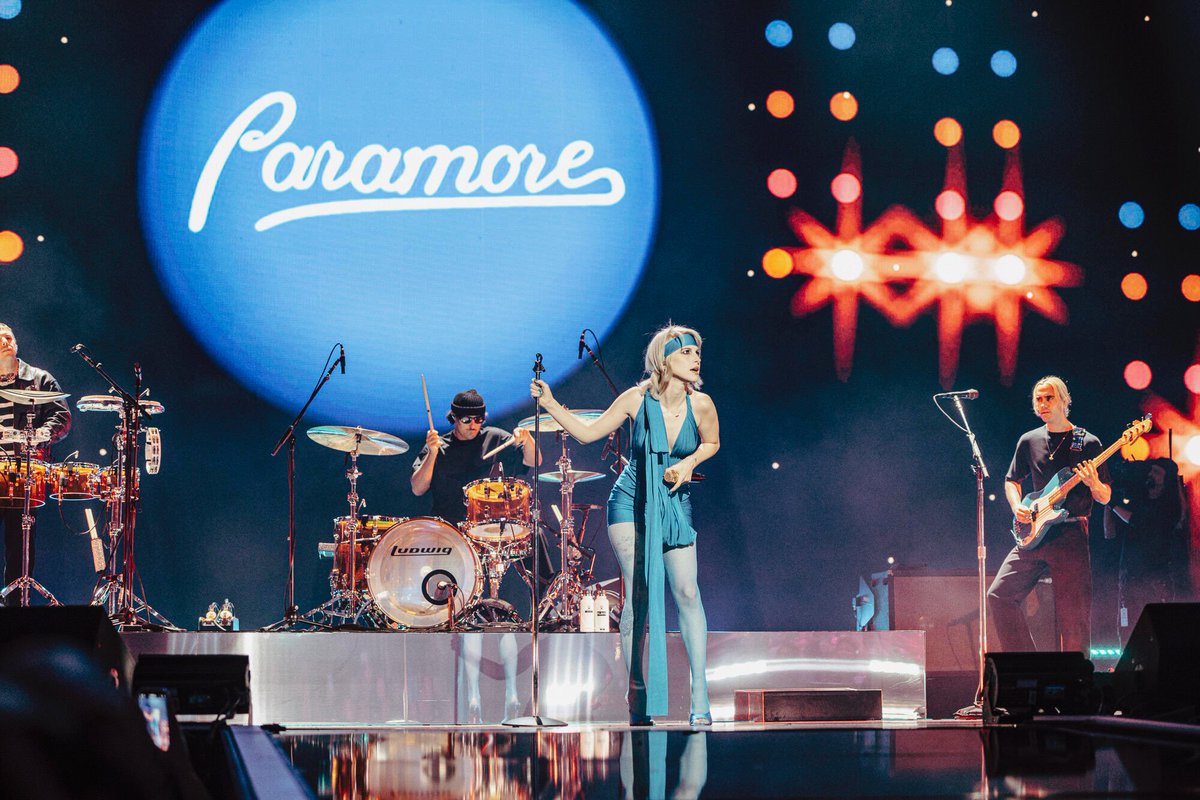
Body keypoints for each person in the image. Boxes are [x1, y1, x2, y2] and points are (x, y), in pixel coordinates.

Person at [531, 323, 720, 726]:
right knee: (639, 595)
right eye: (686, 351)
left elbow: (711, 442)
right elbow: (587, 433)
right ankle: (637, 688)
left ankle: (700, 695)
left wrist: (688, 463)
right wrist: (551, 404)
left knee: (687, 591)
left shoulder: (701, 404)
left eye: (697, 351)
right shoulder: (636, 399)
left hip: (674, 503)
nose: (695, 357)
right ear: (664, 358)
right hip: (630, 502)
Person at [988, 375, 1111, 654]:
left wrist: (1093, 483)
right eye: (1038, 399)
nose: (1042, 404)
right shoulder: (1029, 440)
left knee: (1073, 618)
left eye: (1049, 398)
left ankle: (1075, 685)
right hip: (1034, 531)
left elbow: (1105, 496)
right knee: (999, 595)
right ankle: (1028, 667)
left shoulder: (1088, 442)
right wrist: (1016, 504)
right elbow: (1011, 480)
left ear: (1064, 400)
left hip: (1070, 534)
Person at [0, 323, 71, 601]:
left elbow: (61, 418)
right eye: (0, 339)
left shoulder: (39, 379)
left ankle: (16, 607)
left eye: (9, 337)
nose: (6, 342)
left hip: (23, 473)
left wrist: (41, 434)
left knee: (19, 545)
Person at [410, 388, 539, 525]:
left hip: (487, 527)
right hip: (446, 529)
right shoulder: (437, 445)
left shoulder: (495, 438)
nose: (473, 425)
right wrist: (432, 453)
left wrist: (527, 438)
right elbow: (418, 489)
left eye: (479, 419)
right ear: (454, 417)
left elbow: (535, 461)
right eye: (466, 419)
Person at [1105, 457, 1188, 644]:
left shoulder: (1168, 506)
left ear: (1166, 479)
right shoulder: (1140, 500)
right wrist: (1108, 505)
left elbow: (1135, 520)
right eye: (1151, 470)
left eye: (1157, 472)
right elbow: (1109, 533)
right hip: (1129, 580)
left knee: (1154, 631)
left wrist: (1111, 502)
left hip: (1155, 581)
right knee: (1127, 627)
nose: (1151, 474)